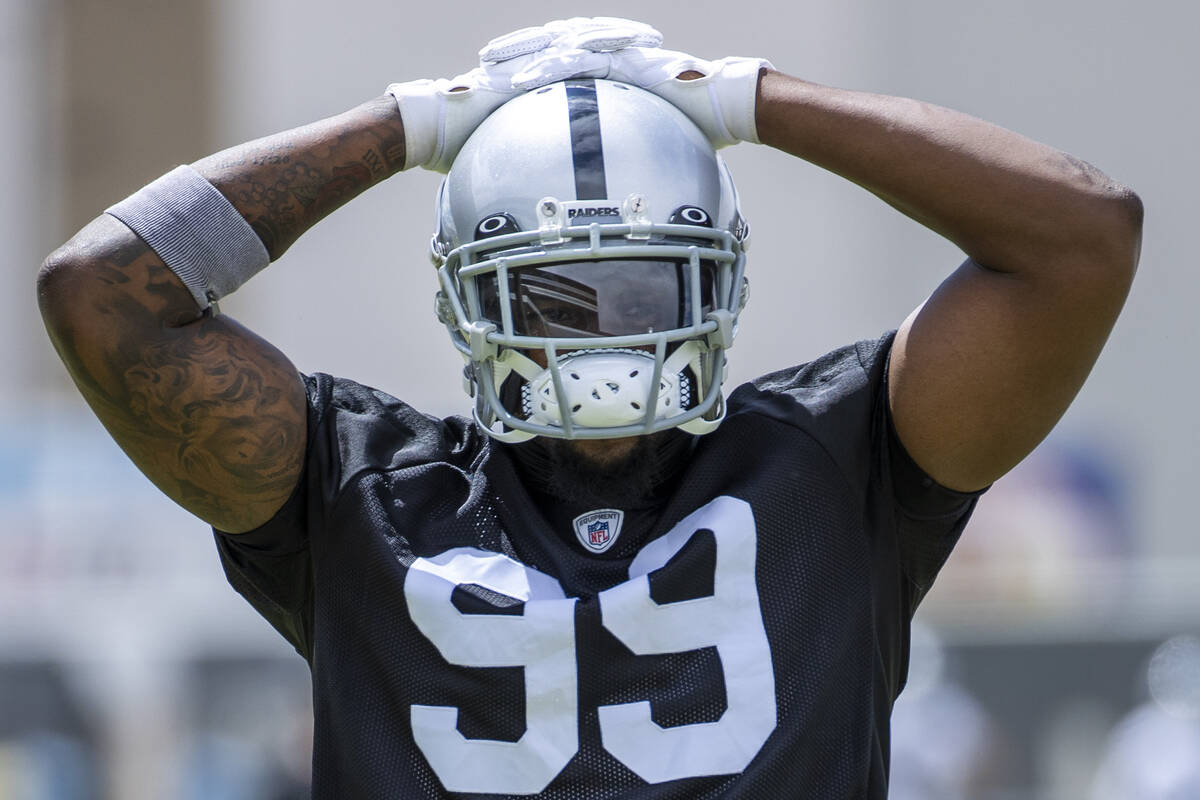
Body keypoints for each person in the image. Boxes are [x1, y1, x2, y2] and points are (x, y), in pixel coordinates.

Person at [36, 17, 1141, 799]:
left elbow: (1085, 237)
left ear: (716, 279)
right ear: (470, 294)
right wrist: (416, 126)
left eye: (644, 282)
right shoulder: (358, 488)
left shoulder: (839, 454)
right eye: (554, 293)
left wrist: (745, 98)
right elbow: (97, 294)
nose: (607, 329)